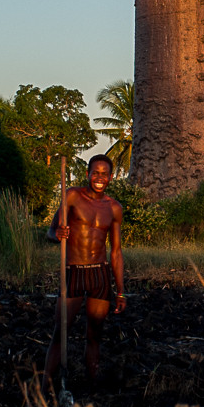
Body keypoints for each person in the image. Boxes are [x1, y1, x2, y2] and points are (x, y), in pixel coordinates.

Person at [44, 153, 125, 390]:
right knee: (61, 334)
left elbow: (117, 252)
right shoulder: (72, 196)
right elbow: (50, 232)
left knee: (94, 335)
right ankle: (44, 389)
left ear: (110, 177)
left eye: (105, 174)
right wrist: (57, 235)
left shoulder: (114, 208)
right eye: (95, 172)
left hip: (100, 275)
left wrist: (120, 292)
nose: (100, 177)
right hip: (74, 272)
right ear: (88, 173)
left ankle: (92, 389)